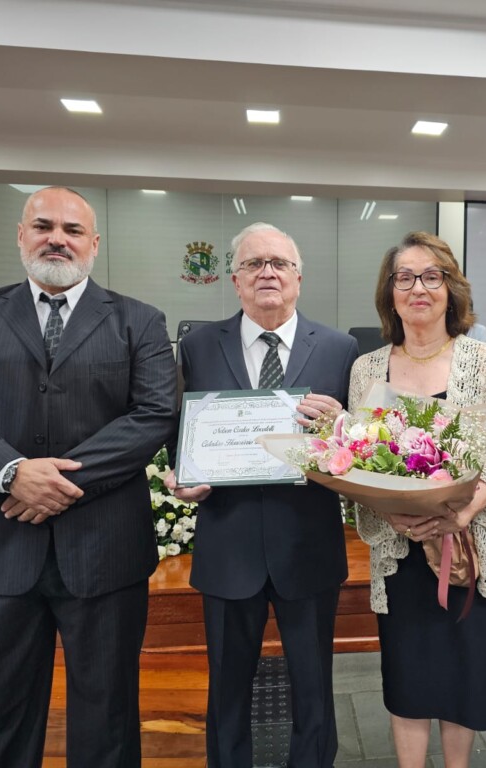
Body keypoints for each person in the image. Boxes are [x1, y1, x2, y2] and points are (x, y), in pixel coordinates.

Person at [0, 186, 177, 768]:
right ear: (21, 235)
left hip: (105, 551)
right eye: (43, 225)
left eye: (72, 229)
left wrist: (55, 482)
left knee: (108, 714)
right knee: (2, 711)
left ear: (94, 244)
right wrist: (11, 473)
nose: (57, 237)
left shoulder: (139, 320)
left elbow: (154, 414)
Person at [165, 222, 358, 768]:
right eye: (254, 264)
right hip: (228, 544)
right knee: (226, 688)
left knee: (314, 686)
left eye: (279, 263)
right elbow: (178, 428)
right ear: (235, 280)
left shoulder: (341, 348)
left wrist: (343, 425)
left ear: (300, 277)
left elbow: (361, 445)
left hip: (309, 545)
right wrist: (179, 473)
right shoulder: (199, 344)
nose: (267, 272)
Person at [347, 231, 486, 768]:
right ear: (389, 293)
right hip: (401, 556)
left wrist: (460, 515)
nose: (417, 287)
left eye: (431, 276)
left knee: (467, 677)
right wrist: (395, 515)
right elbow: (354, 463)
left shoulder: (484, 359)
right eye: (404, 277)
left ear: (451, 289)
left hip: (471, 549)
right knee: (409, 677)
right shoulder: (366, 369)